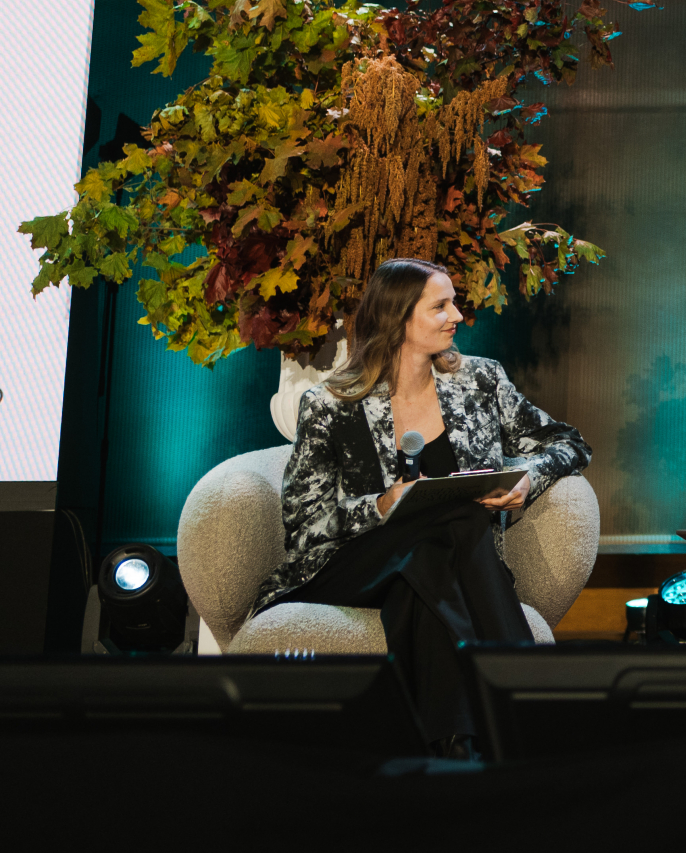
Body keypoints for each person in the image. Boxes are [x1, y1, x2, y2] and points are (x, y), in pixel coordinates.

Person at [250, 257, 591, 756]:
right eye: (441, 306)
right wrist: (382, 505)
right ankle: (523, 698)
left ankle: (451, 744)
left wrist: (526, 481)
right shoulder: (331, 405)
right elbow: (303, 528)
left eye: (453, 303)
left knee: (434, 551)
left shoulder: (480, 383)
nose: (457, 315)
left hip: (432, 566)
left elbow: (569, 442)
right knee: (455, 515)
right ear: (398, 319)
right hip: (352, 565)